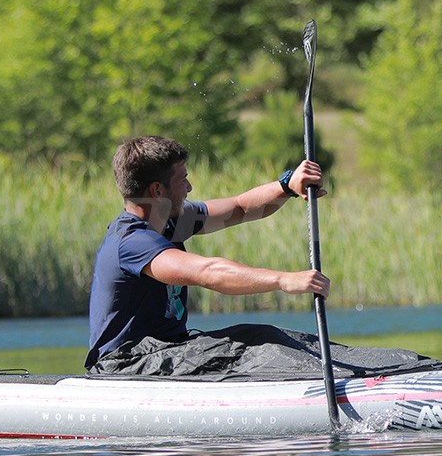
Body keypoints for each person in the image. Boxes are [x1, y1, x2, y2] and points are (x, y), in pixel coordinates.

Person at [86, 135, 329, 370]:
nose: (189, 188)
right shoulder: (131, 242)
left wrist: (287, 185)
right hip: (127, 364)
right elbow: (208, 272)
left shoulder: (170, 220)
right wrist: (284, 279)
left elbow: (241, 208)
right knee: (257, 348)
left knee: (261, 335)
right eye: (183, 180)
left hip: (167, 351)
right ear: (157, 191)